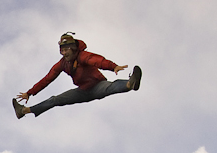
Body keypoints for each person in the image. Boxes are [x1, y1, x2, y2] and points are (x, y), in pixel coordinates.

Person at [13, 33, 141, 118]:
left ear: (73, 48)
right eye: (62, 50)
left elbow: (96, 60)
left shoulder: (82, 56)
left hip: (97, 86)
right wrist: (29, 93)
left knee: (110, 87)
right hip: (82, 91)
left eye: (67, 49)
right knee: (55, 100)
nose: (64, 53)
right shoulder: (62, 64)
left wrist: (113, 67)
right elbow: (47, 79)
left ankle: (130, 84)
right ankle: (23, 111)